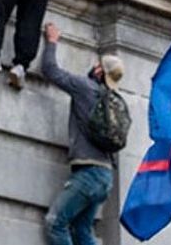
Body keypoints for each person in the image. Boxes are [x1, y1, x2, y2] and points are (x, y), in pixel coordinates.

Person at [41, 22, 127, 245]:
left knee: (55, 222)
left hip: (88, 173)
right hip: (105, 177)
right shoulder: (113, 101)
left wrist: (52, 41)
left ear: (99, 71)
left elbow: (50, 70)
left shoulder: (85, 87)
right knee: (82, 230)